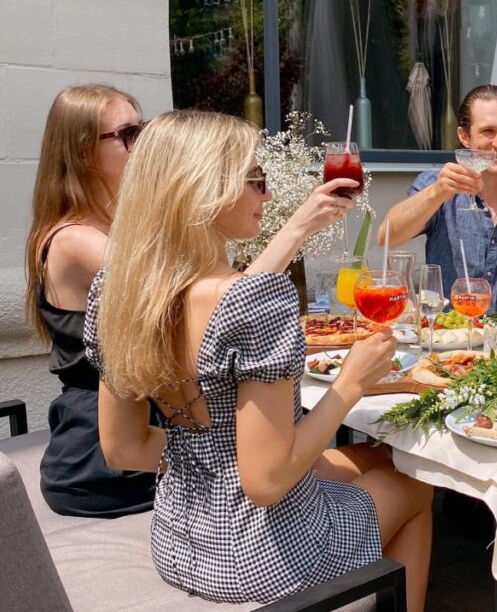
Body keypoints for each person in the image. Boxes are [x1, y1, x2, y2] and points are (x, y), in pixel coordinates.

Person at [84, 110, 432, 612]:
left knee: (369, 458)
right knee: (416, 487)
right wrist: (351, 381)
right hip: (268, 555)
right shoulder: (257, 301)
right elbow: (266, 481)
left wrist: (216, 457)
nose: (266, 195)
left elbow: (123, 448)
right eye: (254, 179)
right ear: (206, 191)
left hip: (179, 541)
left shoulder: (121, 292)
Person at [25, 85, 359, 518]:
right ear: (84, 152)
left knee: (307, 460)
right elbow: (221, 309)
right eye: (129, 134)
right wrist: (296, 229)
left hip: (159, 434)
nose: (146, 142)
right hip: (108, 458)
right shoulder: (78, 242)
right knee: (314, 465)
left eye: (143, 128)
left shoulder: (126, 234)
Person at [378, 84, 497, 331]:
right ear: (464, 136)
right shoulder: (437, 185)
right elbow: (387, 237)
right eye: (488, 131)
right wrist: (438, 193)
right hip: (449, 343)